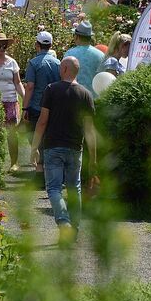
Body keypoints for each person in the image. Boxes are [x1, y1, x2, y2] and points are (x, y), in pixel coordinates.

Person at [30, 56, 99, 241]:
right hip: (76, 148)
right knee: (74, 187)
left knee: (53, 188)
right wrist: (93, 158)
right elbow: (90, 130)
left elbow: (42, 121)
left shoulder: (51, 90)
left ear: (65, 69)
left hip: (53, 147)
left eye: (61, 66)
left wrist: (34, 147)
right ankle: (74, 229)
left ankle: (64, 223)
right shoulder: (86, 94)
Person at [0, 33, 25, 170]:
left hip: (10, 101)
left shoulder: (12, 62)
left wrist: (25, 98)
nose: (2, 48)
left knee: (12, 133)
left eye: (4, 46)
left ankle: (14, 163)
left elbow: (18, 82)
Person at [22, 32, 62, 162]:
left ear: (37, 45)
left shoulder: (33, 63)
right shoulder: (58, 63)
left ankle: (39, 167)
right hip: (54, 107)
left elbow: (30, 86)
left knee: (36, 138)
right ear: (50, 45)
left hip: (36, 107)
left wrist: (25, 108)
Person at [63, 21, 107, 98]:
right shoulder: (100, 55)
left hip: (73, 97)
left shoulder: (70, 54)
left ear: (77, 37)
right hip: (93, 98)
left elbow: (63, 76)